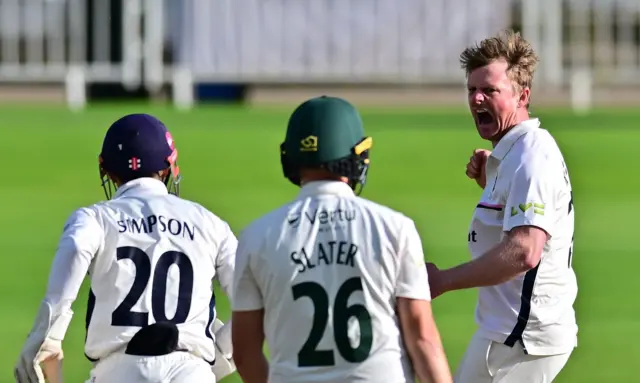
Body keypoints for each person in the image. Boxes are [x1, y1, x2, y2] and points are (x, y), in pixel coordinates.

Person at [230, 96, 453, 383]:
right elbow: (422, 338)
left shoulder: (257, 236)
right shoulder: (395, 228)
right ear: (357, 155)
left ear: (290, 157)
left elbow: (245, 352)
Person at [14, 113, 237, 383]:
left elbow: (75, 246)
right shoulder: (210, 223)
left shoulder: (94, 218)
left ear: (106, 170)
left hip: (119, 371)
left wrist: (48, 335)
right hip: (192, 372)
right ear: (169, 167)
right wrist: (219, 354)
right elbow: (254, 303)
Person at [426, 30, 577, 382]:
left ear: (522, 95)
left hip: (525, 341)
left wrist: (443, 281)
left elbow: (525, 250)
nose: (477, 99)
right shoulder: (512, 154)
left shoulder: (532, 156)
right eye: (472, 90)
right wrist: (492, 181)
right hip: (505, 332)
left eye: (490, 90)